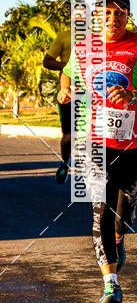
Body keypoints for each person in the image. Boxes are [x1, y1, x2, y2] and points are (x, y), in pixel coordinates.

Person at [58, 0, 137, 303]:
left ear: (127, 15)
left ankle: (121, 237)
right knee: (101, 212)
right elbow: (68, 76)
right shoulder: (82, 49)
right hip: (94, 142)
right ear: (96, 16)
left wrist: (135, 95)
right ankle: (111, 286)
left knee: (126, 209)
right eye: (106, 12)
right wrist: (66, 91)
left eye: (119, 12)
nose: (113, 18)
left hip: (136, 143)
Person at [43, 15, 78, 184]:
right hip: (68, 93)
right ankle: (65, 163)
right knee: (69, 135)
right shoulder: (64, 36)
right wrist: (67, 67)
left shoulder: (97, 38)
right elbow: (47, 61)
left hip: (93, 93)